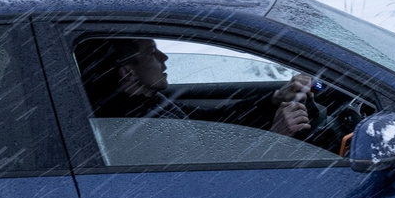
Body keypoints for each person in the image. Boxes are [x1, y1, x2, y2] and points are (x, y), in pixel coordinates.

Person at [80, 37, 318, 139]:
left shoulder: (147, 103)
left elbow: (215, 120)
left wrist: (274, 99)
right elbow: (220, 181)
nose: (165, 57)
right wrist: (276, 138)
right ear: (128, 73)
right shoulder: (134, 127)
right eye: (152, 53)